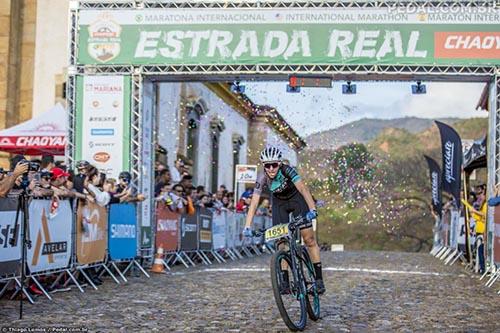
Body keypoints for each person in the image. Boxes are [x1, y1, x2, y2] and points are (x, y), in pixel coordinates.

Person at [243, 146, 325, 294]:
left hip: (296, 201)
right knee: (281, 243)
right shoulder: (262, 178)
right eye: (268, 165)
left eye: (274, 164)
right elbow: (254, 202)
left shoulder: (288, 171)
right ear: (264, 166)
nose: (271, 168)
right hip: (279, 204)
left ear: (279, 164)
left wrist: (312, 209)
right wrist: (247, 226)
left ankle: (319, 280)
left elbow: (303, 189)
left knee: (309, 240)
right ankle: (285, 281)